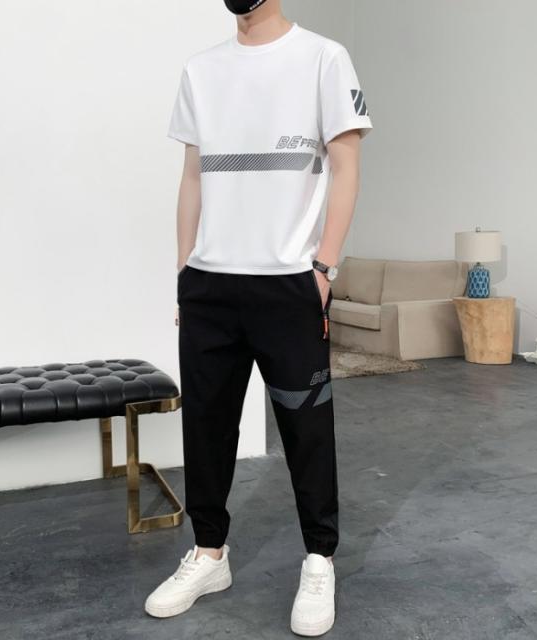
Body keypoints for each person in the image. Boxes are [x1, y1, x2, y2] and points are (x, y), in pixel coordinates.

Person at [145, 0, 372, 635]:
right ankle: (209, 554)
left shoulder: (323, 58)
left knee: (306, 430)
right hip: (210, 287)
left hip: (289, 284)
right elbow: (193, 176)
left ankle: (319, 559)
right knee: (206, 428)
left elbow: (347, 166)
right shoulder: (201, 69)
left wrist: (324, 268)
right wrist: (185, 271)